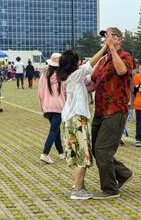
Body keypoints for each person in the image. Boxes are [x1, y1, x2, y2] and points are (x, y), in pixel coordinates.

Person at [90, 27, 134, 200]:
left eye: (111, 36)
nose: (107, 39)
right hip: (100, 110)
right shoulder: (102, 60)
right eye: (105, 37)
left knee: (103, 150)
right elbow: (93, 83)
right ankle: (122, 173)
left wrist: (113, 50)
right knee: (95, 148)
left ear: (120, 39)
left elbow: (122, 70)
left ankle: (110, 189)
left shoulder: (125, 56)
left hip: (115, 110)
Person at [58, 45, 105, 200]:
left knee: (76, 155)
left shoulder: (70, 77)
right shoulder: (75, 75)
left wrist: (102, 61)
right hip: (77, 119)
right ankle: (77, 190)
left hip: (68, 119)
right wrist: (105, 48)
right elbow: (90, 64)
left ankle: (78, 185)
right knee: (83, 155)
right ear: (74, 63)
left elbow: (90, 77)